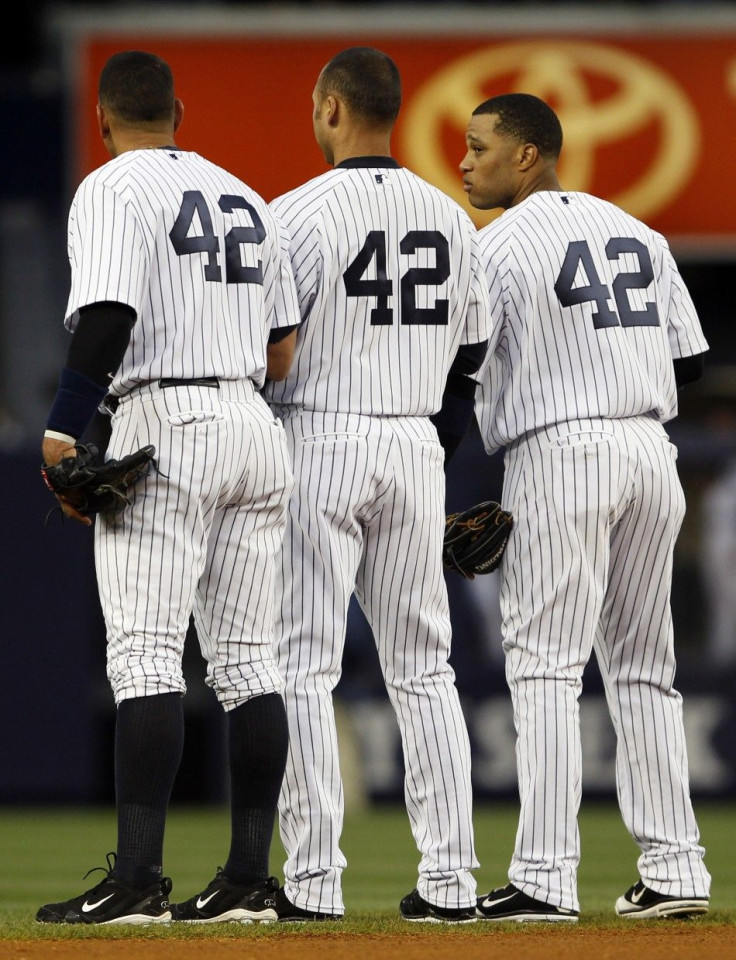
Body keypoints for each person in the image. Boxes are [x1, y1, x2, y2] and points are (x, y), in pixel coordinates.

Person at [36, 50, 300, 925]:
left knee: (146, 655)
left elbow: (110, 313)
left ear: (104, 121)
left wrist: (65, 424)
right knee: (250, 663)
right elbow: (282, 346)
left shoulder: (112, 187)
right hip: (255, 425)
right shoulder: (245, 195)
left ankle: (140, 882)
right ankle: (249, 883)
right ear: (180, 110)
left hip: (168, 422)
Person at [459, 92, 711, 922]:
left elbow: (457, 370)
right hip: (650, 451)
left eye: (480, 147)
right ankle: (675, 869)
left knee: (544, 670)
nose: (465, 162)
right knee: (646, 670)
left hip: (561, 453)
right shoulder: (639, 232)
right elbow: (691, 369)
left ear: (527, 155)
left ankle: (543, 876)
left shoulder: (496, 247)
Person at [261, 46, 492, 922]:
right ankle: (451, 883)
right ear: (394, 110)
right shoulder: (450, 215)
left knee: (303, 665)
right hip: (412, 444)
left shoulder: (296, 213)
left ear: (329, 107)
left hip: (318, 433)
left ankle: (314, 882)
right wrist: (429, 451)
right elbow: (469, 362)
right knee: (425, 670)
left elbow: (268, 349)